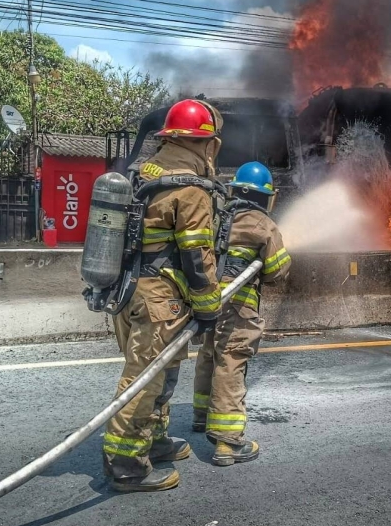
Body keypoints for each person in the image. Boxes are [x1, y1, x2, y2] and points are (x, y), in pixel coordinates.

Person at [103, 99, 224, 492]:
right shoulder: (190, 189)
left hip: (128, 291)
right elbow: (197, 255)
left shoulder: (144, 170)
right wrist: (210, 307)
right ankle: (126, 467)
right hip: (158, 299)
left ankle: (153, 442)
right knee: (145, 381)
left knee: (163, 374)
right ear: (206, 144)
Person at [192, 161, 291, 466]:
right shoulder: (263, 225)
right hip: (238, 306)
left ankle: (200, 415)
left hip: (208, 301)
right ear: (265, 197)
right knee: (231, 360)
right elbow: (277, 271)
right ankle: (227, 442)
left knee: (209, 353)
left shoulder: (219, 217)